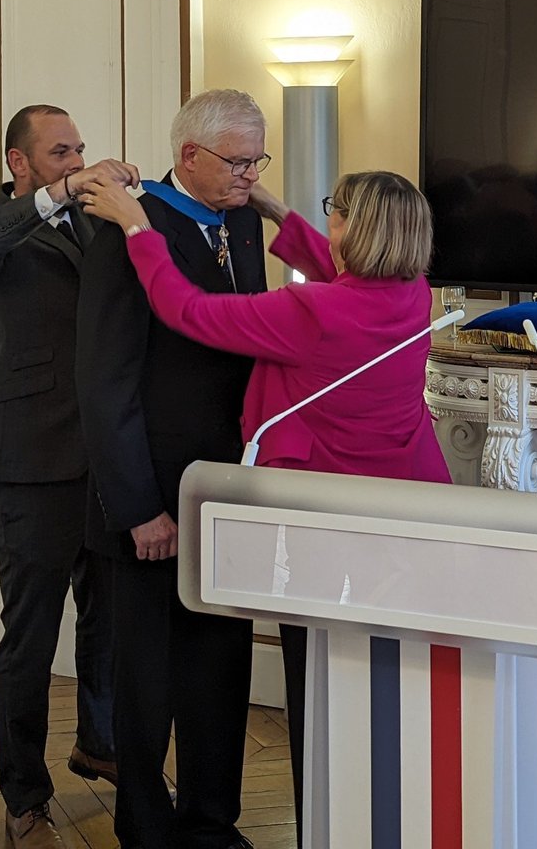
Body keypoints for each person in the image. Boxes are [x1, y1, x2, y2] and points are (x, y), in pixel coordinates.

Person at [77, 167, 451, 847]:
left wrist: (136, 225)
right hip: (396, 512)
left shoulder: (315, 313)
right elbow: (341, 272)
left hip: (320, 520)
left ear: (355, 232)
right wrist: (280, 211)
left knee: (319, 686)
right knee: (369, 685)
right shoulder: (411, 294)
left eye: (333, 214)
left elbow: (185, 310)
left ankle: (329, 827)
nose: (326, 224)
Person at [75, 89, 269, 849]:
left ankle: (211, 825)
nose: (251, 174)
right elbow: (105, 380)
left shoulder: (244, 219)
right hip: (150, 496)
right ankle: (147, 830)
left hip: (226, 489)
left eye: (260, 159)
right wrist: (136, 506)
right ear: (189, 156)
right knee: (148, 682)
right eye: (238, 161)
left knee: (219, 668)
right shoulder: (128, 226)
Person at [0, 104, 139, 849]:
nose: (76, 162)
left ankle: (99, 743)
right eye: (59, 152)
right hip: (28, 467)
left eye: (81, 150)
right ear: (18, 162)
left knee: (108, 622)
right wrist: (62, 194)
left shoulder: (94, 224)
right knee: (29, 638)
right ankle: (24, 793)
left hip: (104, 462)